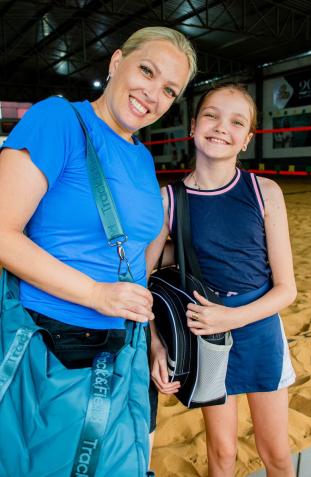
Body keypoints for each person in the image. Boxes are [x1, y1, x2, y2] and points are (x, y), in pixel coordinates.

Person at [0, 26, 197, 464]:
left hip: (125, 349)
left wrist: (153, 342)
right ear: (116, 61)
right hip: (52, 344)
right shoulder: (57, 119)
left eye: (169, 90)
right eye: (147, 71)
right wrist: (95, 294)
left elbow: (136, 267)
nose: (153, 94)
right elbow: (2, 232)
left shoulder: (143, 158)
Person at [147, 82, 297, 476]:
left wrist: (231, 317)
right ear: (194, 125)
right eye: (211, 115)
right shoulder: (169, 200)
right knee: (222, 455)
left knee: (277, 455)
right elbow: (141, 280)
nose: (220, 127)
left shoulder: (264, 192)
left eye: (236, 121)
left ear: (247, 138)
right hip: (207, 339)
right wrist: (155, 344)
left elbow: (287, 290)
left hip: (259, 329)